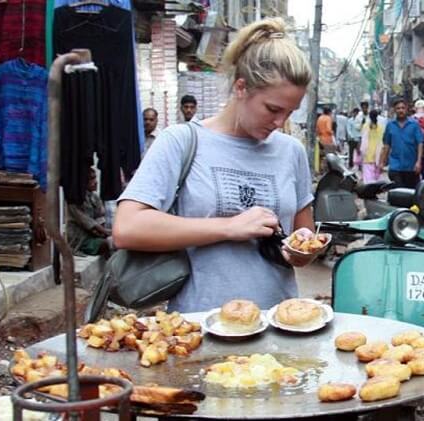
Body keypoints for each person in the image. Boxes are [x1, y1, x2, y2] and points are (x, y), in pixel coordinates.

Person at [113, 18, 315, 312]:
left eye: (290, 112)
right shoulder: (181, 141)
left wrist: (302, 249)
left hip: (277, 327)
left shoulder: (291, 152)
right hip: (200, 330)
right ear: (241, 87)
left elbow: (301, 241)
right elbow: (128, 228)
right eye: (272, 109)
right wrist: (229, 227)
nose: (280, 122)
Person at [68, 167, 113, 257]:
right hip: (81, 240)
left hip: (94, 236)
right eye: (91, 179)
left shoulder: (94, 197)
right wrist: (107, 232)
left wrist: (106, 232)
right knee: (108, 244)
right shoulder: (74, 200)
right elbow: (88, 223)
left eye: (95, 178)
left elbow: (100, 217)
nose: (95, 182)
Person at [379, 99, 424, 188]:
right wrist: (382, 162)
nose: (401, 110)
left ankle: (412, 202)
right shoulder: (390, 125)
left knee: (413, 194)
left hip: (411, 166)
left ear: (406, 109)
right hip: (395, 166)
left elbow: (420, 143)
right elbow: (386, 145)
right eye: (398, 108)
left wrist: (419, 162)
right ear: (395, 110)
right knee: (399, 192)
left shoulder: (414, 124)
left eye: (403, 108)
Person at [358, 109, 385, 183]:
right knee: (376, 179)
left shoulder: (365, 126)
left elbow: (362, 140)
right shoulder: (381, 128)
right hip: (378, 155)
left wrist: (360, 152)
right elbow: (382, 142)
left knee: (368, 180)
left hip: (367, 155)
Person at [350, 101, 370, 168]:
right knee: (361, 151)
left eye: (365, 108)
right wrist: (362, 124)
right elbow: (356, 127)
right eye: (363, 108)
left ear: (367, 108)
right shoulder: (359, 116)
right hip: (361, 136)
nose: (364, 109)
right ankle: (361, 164)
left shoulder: (370, 115)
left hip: (370, 136)